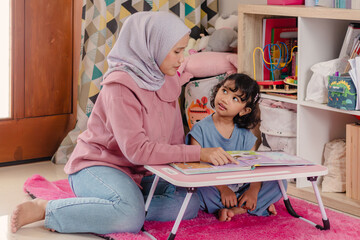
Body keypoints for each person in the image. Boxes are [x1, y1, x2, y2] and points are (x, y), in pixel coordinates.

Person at [10, 11, 239, 235]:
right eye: (177, 51)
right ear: (153, 47)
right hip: (99, 166)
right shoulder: (120, 86)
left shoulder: (161, 73)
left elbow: (192, 65)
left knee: (189, 203)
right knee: (129, 217)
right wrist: (198, 153)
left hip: (142, 172)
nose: (182, 58)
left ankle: (110, 205)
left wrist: (233, 60)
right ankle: (47, 209)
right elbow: (137, 151)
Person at [186, 73, 287, 222]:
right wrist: (223, 189)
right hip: (213, 186)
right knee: (196, 191)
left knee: (280, 183)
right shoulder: (199, 130)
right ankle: (253, 207)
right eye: (224, 91)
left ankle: (236, 209)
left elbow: (254, 168)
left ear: (244, 110)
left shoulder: (245, 135)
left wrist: (253, 190)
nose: (225, 99)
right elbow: (197, 169)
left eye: (235, 99)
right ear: (218, 90)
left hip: (240, 185)